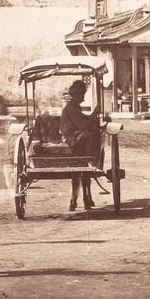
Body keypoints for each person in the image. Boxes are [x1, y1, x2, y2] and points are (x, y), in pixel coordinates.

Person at [60, 79, 102, 211]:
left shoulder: (74, 107)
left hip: (76, 137)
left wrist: (94, 117)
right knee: (91, 135)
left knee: (91, 133)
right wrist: (95, 115)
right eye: (82, 94)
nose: (83, 97)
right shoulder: (71, 108)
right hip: (71, 139)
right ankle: (91, 160)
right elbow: (83, 124)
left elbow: (84, 120)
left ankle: (81, 199)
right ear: (76, 95)